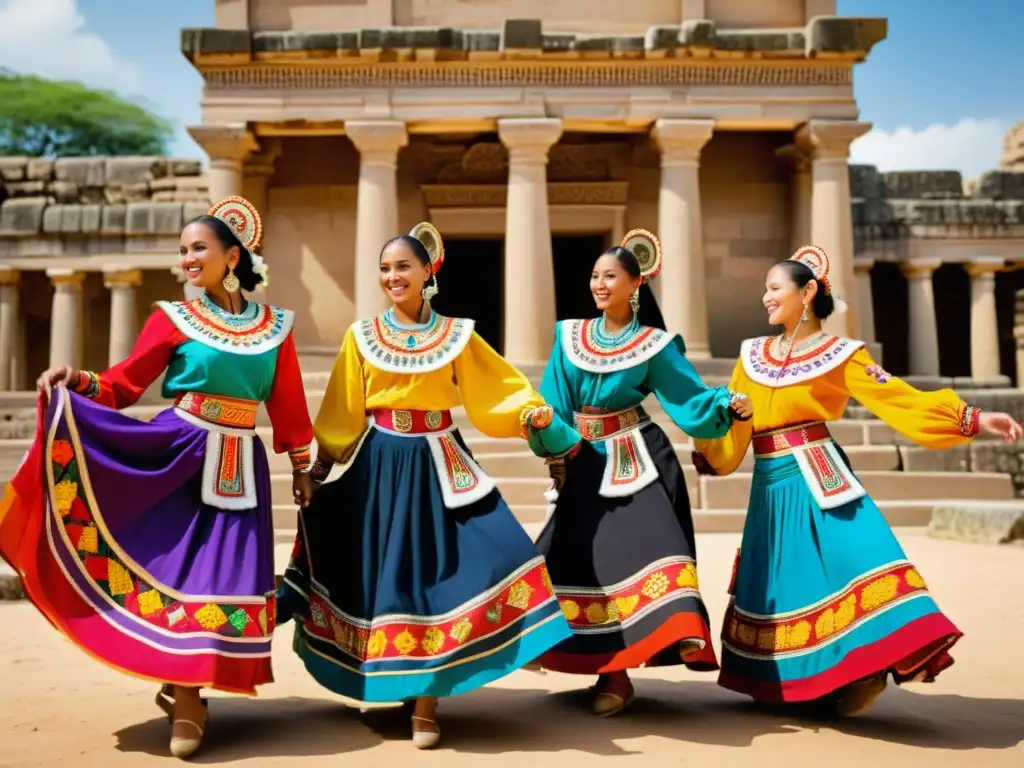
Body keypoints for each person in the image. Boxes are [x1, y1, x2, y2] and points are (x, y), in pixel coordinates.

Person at [0, 196, 314, 759]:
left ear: (232, 256)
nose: (188, 260)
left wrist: (302, 467)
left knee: (228, 580)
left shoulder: (276, 327)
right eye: (183, 251)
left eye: (199, 249)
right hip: (178, 455)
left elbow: (287, 406)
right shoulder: (173, 317)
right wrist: (77, 379)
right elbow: (124, 385)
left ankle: (186, 683)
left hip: (243, 466)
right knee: (180, 573)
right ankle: (189, 696)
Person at [277, 222, 579, 749]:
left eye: (403, 267)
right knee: (387, 580)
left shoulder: (457, 334)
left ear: (426, 272)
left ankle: (427, 700)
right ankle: (406, 687)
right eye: (386, 269)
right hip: (380, 465)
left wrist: (543, 426)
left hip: (441, 463)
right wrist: (317, 474)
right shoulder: (361, 336)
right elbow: (344, 410)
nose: (393, 277)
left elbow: (500, 389)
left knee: (466, 565)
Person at [692, 244, 1022, 716]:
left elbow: (899, 398)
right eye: (764, 289)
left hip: (821, 475)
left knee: (857, 561)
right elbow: (733, 425)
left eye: (773, 287)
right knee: (785, 581)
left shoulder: (842, 354)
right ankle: (797, 683)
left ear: (807, 292)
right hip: (770, 482)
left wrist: (973, 417)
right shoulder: (752, 355)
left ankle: (866, 667)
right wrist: (724, 421)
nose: (765, 297)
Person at [530, 230, 753, 716]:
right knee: (578, 561)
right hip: (584, 458)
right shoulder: (569, 336)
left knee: (641, 557)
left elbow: (687, 396)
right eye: (594, 275)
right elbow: (554, 400)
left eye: (610, 276)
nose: (599, 283)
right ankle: (589, 661)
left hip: (640, 460)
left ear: (636, 284)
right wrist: (552, 441)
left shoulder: (653, 344)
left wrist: (724, 406)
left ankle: (637, 660)